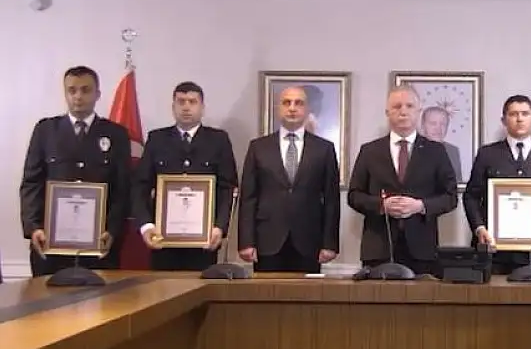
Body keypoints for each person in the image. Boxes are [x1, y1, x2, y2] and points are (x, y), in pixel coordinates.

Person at [20, 66, 131, 276]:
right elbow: (32, 183)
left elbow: (123, 189)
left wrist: (113, 230)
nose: (78, 96)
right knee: (47, 296)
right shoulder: (46, 130)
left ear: (97, 94)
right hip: (51, 244)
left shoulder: (116, 134)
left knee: (102, 297)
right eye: (72, 90)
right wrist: (34, 228)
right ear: (65, 93)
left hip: (99, 245)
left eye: (85, 90)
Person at [347, 85, 457, 275]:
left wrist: (420, 206)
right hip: (379, 248)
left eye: (409, 106)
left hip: (422, 250)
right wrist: (382, 205)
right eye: (397, 106)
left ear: (419, 111)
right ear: (387, 112)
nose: (403, 112)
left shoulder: (436, 151)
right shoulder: (369, 151)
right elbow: (354, 195)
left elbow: (451, 197)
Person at [132, 81, 238, 271]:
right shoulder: (157, 139)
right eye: (181, 102)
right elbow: (140, 186)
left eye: (192, 102)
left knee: (201, 286)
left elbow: (227, 188)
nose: (186, 107)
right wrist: (146, 225)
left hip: (204, 240)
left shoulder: (218, 140)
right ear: (173, 107)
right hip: (162, 239)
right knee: (161, 286)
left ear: (202, 107)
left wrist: (220, 227)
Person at [238, 86, 340, 273]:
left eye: (298, 103)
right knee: (266, 291)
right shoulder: (258, 147)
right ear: (278, 109)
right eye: (286, 103)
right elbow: (248, 198)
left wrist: (330, 243)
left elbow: (331, 200)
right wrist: (246, 241)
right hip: (267, 240)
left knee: (306, 291)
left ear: (307, 109)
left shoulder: (324, 149)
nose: (292, 108)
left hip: (309, 241)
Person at [463, 95, 531, 274]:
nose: (519, 119)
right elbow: (471, 197)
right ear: (504, 120)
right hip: (493, 249)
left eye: (525, 113)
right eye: (513, 114)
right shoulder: (487, 154)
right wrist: (479, 228)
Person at [419, 106, 463, 181]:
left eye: (443, 124)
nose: (438, 128)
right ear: (423, 126)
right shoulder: (414, 149)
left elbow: (457, 182)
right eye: (433, 123)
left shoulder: (453, 151)